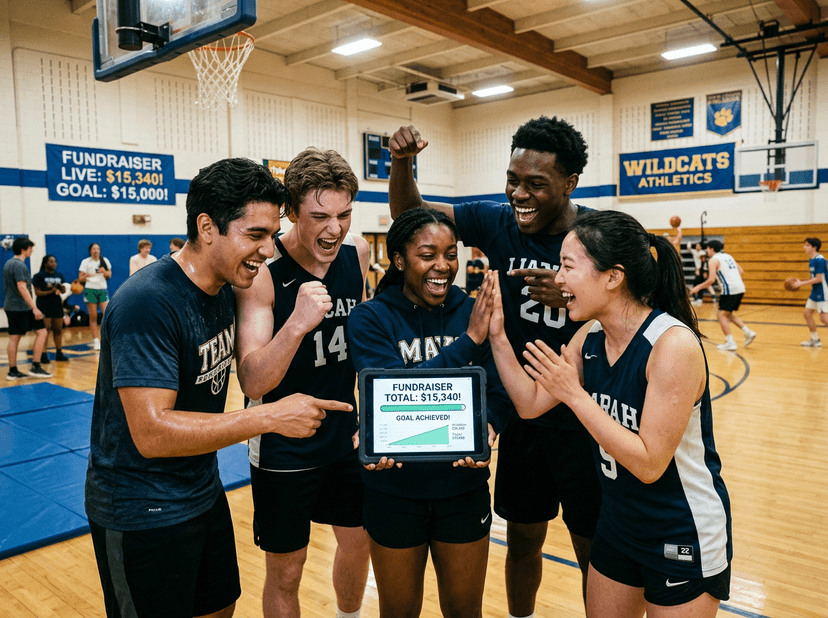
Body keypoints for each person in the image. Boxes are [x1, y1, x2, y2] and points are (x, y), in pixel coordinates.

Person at [84, 157, 354, 618]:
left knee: (221, 608)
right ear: (207, 227)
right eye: (255, 235)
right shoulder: (147, 301)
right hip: (140, 510)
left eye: (272, 235)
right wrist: (268, 415)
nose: (269, 250)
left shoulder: (222, 290)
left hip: (202, 494)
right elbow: (151, 433)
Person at [388, 117, 602, 616]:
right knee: (524, 539)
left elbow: (641, 297)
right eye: (513, 179)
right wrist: (401, 162)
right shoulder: (496, 219)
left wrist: (574, 293)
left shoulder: (597, 234)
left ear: (570, 184)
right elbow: (409, 216)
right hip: (521, 414)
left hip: (586, 417)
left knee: (594, 548)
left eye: (535, 184)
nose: (518, 193)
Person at [485, 209, 732, 618]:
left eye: (567, 267)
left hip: (680, 529)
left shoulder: (672, 346)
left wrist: (576, 396)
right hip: (618, 525)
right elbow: (529, 405)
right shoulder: (591, 335)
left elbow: (650, 463)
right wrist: (497, 335)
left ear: (613, 276)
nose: (558, 279)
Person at [347, 208, 511, 618]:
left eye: (450, 254)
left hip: (462, 485)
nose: (444, 266)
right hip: (394, 490)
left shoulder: (471, 308)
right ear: (400, 260)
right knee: (399, 612)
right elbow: (396, 393)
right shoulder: (370, 318)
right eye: (428, 254)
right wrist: (470, 339)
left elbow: (501, 389)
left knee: (464, 611)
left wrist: (490, 425)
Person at [234, 148, 371, 618]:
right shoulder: (262, 275)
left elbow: (365, 341)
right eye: (319, 216)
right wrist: (296, 325)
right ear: (291, 213)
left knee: (360, 544)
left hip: (346, 433)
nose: (335, 229)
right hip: (283, 443)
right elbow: (253, 381)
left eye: (344, 214)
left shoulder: (359, 254)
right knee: (287, 570)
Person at [689, 240, 756, 351]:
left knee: (721, 315)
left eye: (707, 248)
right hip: (740, 288)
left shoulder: (713, 260)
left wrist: (697, 287)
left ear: (711, 248)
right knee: (727, 314)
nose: (706, 251)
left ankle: (730, 343)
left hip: (730, 290)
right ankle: (748, 332)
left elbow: (711, 280)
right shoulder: (728, 256)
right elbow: (741, 270)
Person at [3, 237, 52, 379]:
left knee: (14, 338)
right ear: (24, 249)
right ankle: (35, 367)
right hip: (22, 307)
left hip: (11, 306)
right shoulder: (20, 265)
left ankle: (13, 370)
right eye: (30, 248)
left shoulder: (8, 263)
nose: (31, 250)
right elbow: (22, 287)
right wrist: (34, 308)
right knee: (42, 332)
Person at [790, 237, 828, 347]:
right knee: (807, 313)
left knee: (823, 317)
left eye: (807, 245)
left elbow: (819, 279)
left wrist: (801, 284)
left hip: (823, 291)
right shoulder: (811, 259)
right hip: (815, 291)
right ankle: (815, 340)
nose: (804, 247)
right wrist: (802, 281)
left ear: (814, 247)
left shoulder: (820, 260)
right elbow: (814, 277)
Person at [32, 254, 70, 362]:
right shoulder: (39, 276)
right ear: (45, 263)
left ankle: (59, 353)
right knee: (46, 330)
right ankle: (43, 355)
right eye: (51, 262)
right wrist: (51, 291)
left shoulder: (59, 275)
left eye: (55, 262)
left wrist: (62, 289)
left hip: (57, 305)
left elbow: (61, 291)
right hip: (44, 305)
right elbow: (37, 293)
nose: (54, 264)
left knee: (58, 329)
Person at [78, 242, 112, 350]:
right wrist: (86, 276)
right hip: (90, 290)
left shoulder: (104, 260)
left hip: (102, 289)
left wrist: (104, 271)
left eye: (98, 249)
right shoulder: (85, 262)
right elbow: (80, 278)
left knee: (107, 314)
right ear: (90, 251)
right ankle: (96, 340)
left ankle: (108, 338)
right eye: (94, 249)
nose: (96, 251)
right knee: (93, 316)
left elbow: (109, 275)